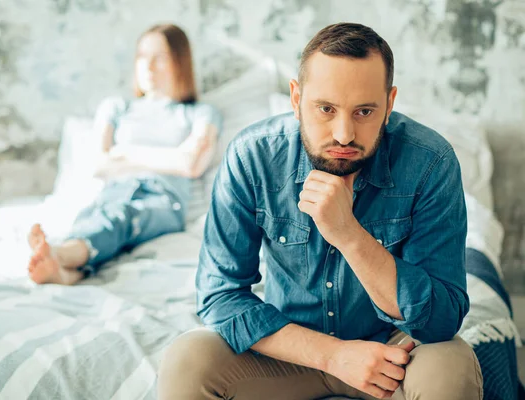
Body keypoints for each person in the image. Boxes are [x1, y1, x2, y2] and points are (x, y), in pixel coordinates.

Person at [158, 23, 482, 399]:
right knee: (188, 360)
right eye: (326, 109)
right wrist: (334, 356)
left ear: (389, 103)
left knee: (450, 365)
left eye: (364, 111)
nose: (344, 134)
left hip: (396, 355)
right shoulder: (252, 157)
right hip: (292, 351)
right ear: (296, 99)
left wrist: (349, 234)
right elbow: (221, 295)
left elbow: (442, 318)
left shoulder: (430, 162)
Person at [27, 24, 221, 285]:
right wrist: (168, 158)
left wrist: (124, 153)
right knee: (101, 217)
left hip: (163, 199)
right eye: (142, 56)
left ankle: (59, 254)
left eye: (160, 58)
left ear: (180, 61)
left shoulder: (200, 113)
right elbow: (98, 164)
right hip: (114, 192)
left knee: (124, 217)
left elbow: (191, 164)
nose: (148, 67)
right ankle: (67, 273)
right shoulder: (117, 107)